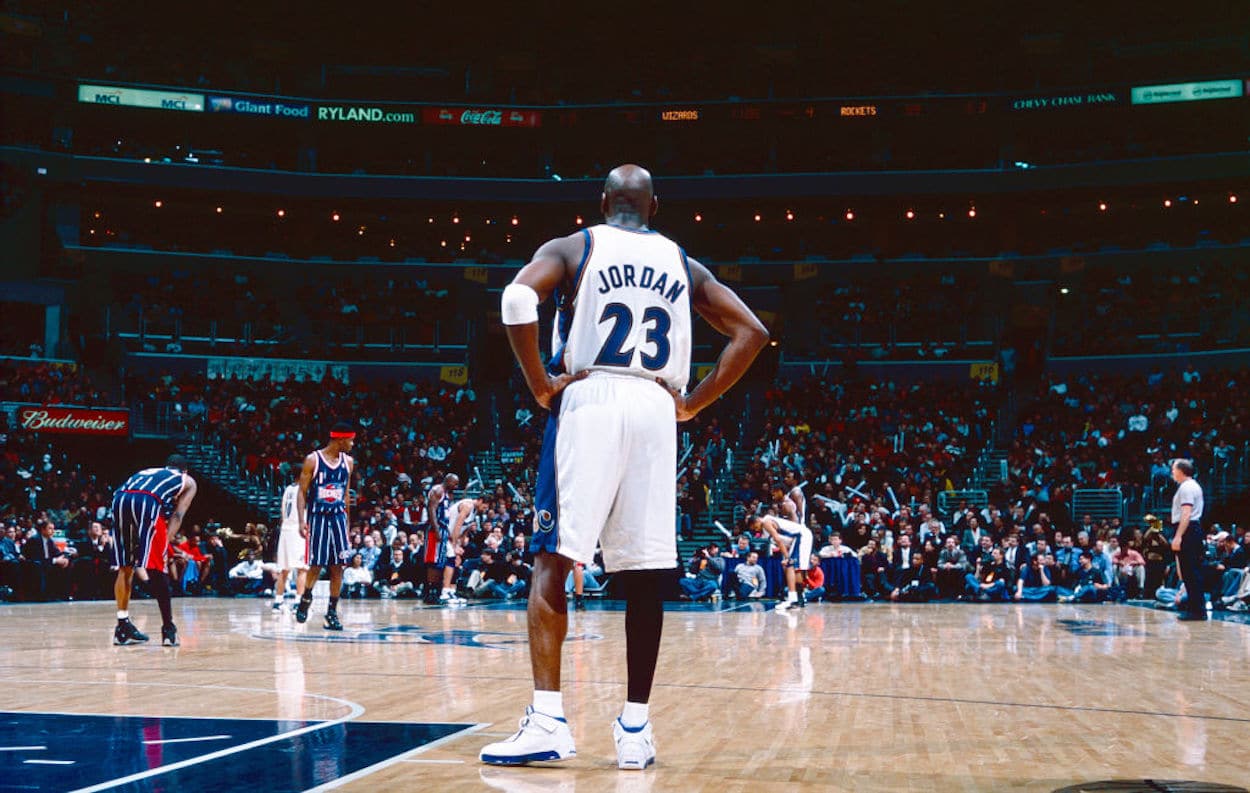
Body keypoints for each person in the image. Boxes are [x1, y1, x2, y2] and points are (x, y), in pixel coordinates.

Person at [481, 164, 768, 770]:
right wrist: (693, 403)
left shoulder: (575, 245)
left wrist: (540, 385)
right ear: (655, 206)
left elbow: (514, 299)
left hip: (591, 398)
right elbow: (752, 331)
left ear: (604, 201)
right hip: (656, 406)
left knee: (553, 561)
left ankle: (549, 720)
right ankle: (635, 729)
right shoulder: (683, 264)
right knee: (644, 575)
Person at [110, 455, 197, 646]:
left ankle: (122, 627)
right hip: (147, 501)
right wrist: (165, 543)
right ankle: (168, 629)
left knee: (125, 567)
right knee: (157, 568)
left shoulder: (148, 471)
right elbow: (179, 514)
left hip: (119, 498)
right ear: (185, 471)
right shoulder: (188, 481)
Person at [294, 423, 356, 631]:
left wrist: (347, 523)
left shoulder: (348, 462)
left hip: (338, 518)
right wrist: (302, 521)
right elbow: (302, 492)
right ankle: (306, 597)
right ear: (340, 440)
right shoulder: (313, 460)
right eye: (350, 440)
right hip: (318, 518)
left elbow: (346, 493)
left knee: (339, 566)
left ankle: (331, 612)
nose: (352, 444)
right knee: (317, 564)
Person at [750, 513, 813, 612]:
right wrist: (787, 556)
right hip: (799, 537)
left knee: (790, 566)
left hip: (801, 536)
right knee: (795, 569)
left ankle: (793, 600)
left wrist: (787, 558)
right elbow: (784, 542)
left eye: (754, 526)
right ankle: (801, 598)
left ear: (758, 520)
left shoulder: (766, 522)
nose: (755, 529)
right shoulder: (766, 530)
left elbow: (779, 540)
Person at [1169, 459, 1207, 621]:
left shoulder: (1186, 487)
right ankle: (1194, 608)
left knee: (1190, 571)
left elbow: (1186, 513)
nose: (1172, 472)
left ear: (1181, 470)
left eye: (1173, 469)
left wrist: (1178, 536)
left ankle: (1197, 610)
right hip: (1191, 529)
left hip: (1188, 530)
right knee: (1190, 571)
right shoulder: (1192, 486)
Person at [423, 473, 465, 606]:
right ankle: (430, 592)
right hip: (435, 531)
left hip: (443, 530)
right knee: (433, 561)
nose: (456, 486)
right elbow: (431, 511)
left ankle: (440, 590)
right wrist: (436, 531)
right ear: (448, 481)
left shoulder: (446, 493)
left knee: (444, 560)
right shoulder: (437, 490)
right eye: (455, 483)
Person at [272, 477, 308, 610]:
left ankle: (278, 601)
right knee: (302, 568)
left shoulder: (288, 489)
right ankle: (298, 602)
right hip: (297, 530)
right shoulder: (303, 489)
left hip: (285, 529)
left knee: (284, 569)